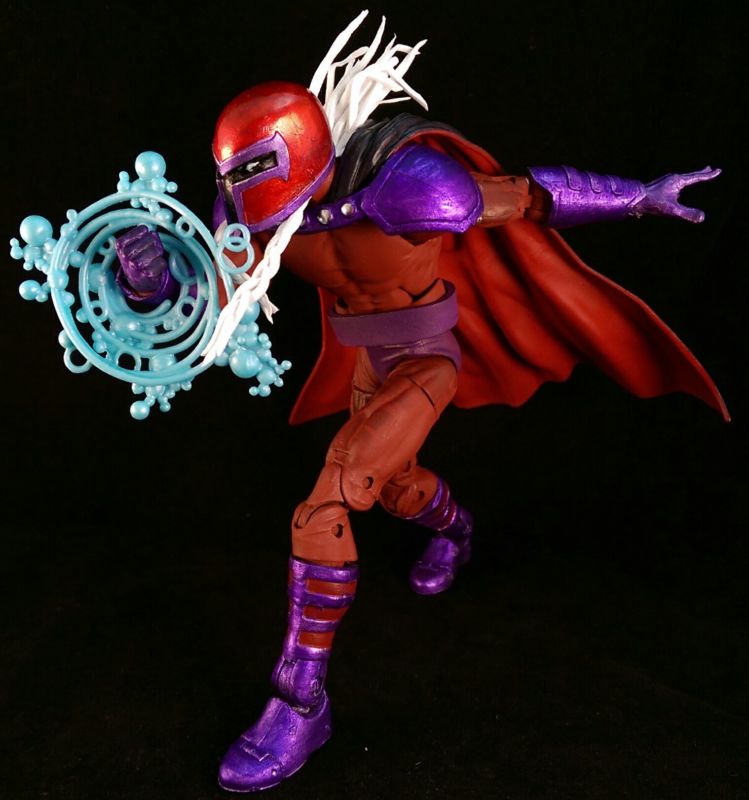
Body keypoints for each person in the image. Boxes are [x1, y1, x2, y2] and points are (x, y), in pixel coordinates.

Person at [115, 12, 726, 792]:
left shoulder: (407, 184)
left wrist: (639, 197)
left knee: (327, 502)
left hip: (427, 358)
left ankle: (300, 702)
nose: (271, 229)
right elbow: (210, 293)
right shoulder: (246, 206)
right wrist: (149, 282)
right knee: (392, 484)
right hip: (365, 360)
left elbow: (529, 196)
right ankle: (456, 529)